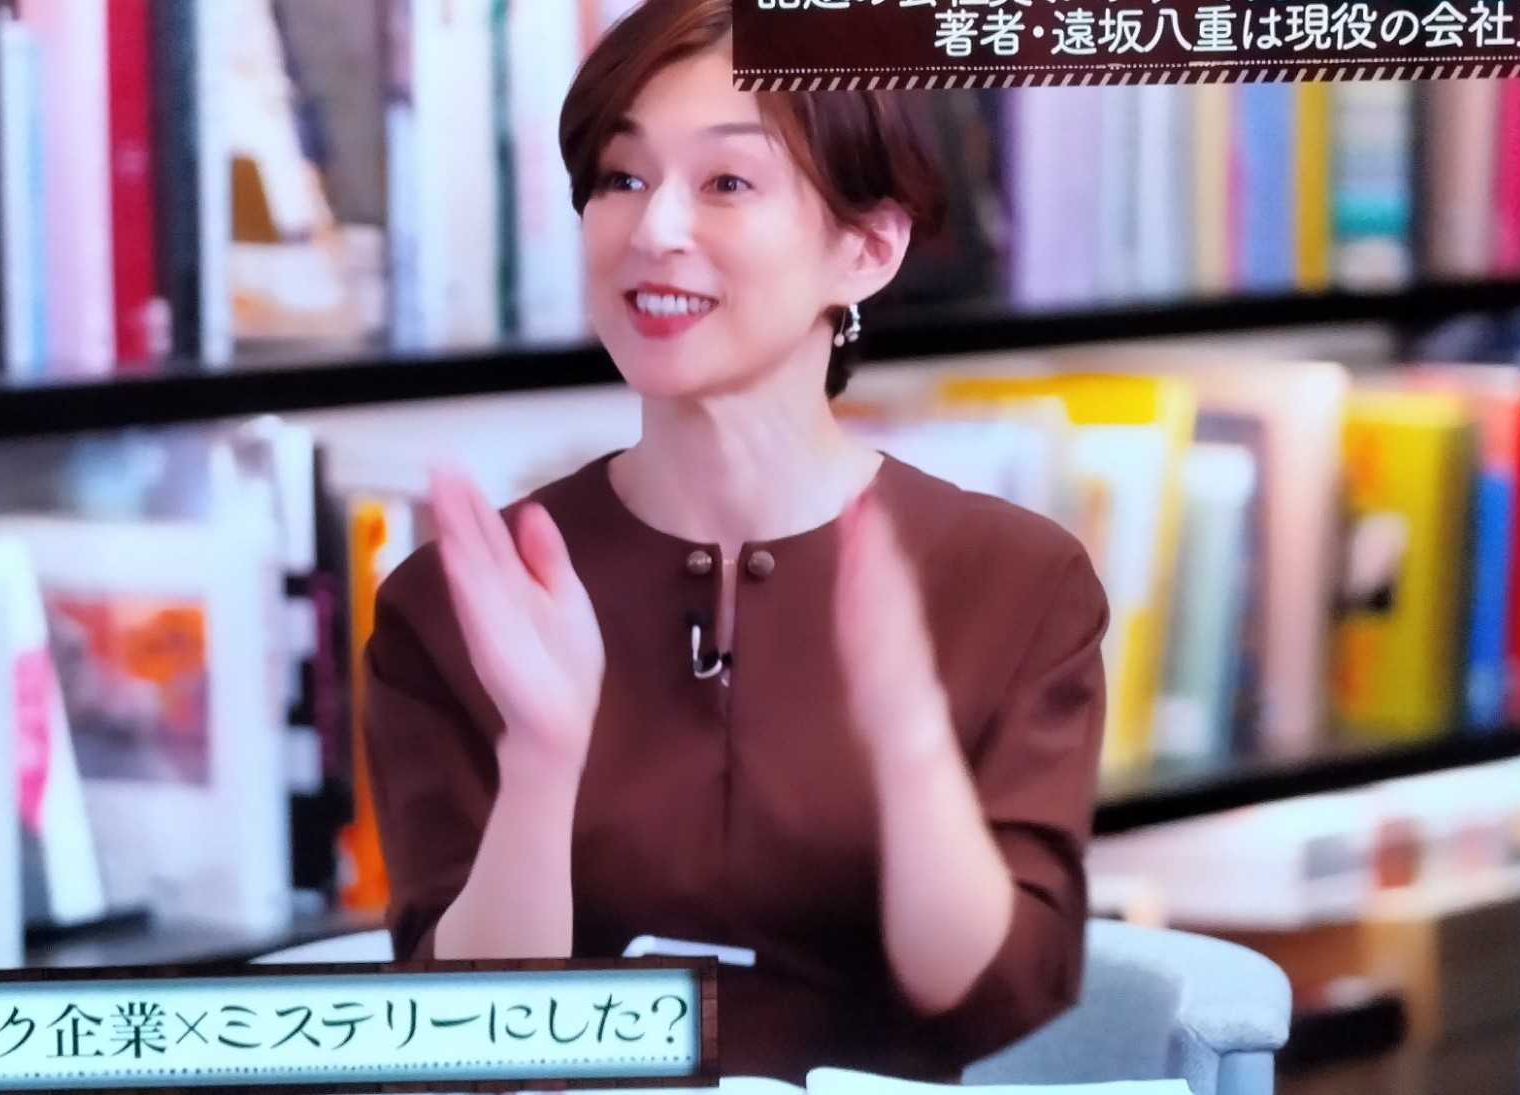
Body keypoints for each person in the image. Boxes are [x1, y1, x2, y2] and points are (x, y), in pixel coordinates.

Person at [361, 0, 1112, 1081]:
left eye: (725, 182)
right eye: (621, 178)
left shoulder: (1015, 581)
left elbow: (998, 1004)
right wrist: (541, 761)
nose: (654, 229)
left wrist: (909, 745)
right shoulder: (455, 602)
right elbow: (460, 1043)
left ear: (867, 248)